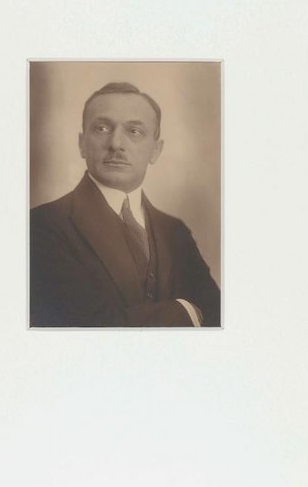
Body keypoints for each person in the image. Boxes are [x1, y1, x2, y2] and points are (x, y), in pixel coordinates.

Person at [30, 82, 220, 327]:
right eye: (102, 128)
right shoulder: (41, 225)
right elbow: (82, 326)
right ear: (81, 144)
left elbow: (218, 316)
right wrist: (185, 312)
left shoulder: (175, 232)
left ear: (156, 150)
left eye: (134, 131)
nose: (116, 143)